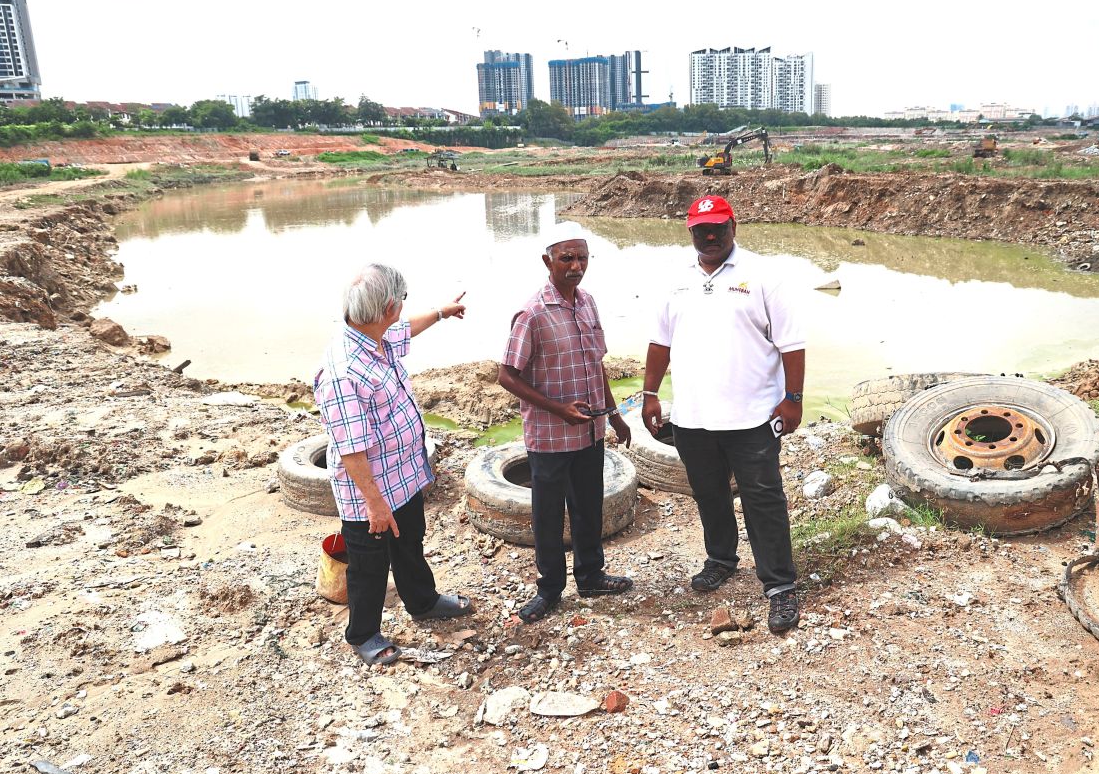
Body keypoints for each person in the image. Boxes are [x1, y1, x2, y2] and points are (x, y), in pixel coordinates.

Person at [640, 195, 805, 633]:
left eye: (718, 227)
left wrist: (793, 398)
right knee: (708, 492)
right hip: (693, 417)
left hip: (753, 416)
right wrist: (649, 393)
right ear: (689, 231)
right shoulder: (675, 280)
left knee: (763, 500)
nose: (710, 236)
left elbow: (792, 344)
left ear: (735, 226)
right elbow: (660, 343)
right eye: (701, 229)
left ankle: (780, 585)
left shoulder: (764, 276)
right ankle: (721, 559)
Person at [314, 263, 473, 666]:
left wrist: (441, 313)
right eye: (402, 300)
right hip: (370, 491)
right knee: (369, 564)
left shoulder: (376, 337)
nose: (404, 307)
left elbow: (407, 330)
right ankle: (363, 634)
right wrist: (374, 503)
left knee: (410, 544)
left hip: (402, 476)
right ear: (388, 306)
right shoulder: (343, 371)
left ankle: (422, 601)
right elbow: (351, 449)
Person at [498, 227, 634, 623]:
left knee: (588, 506)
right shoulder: (532, 313)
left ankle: (591, 576)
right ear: (548, 262)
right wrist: (558, 409)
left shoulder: (587, 303)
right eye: (567, 259)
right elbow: (507, 375)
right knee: (547, 515)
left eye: (583, 259)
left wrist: (614, 415)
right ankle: (549, 589)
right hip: (550, 436)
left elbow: (596, 365)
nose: (576, 267)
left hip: (590, 431)